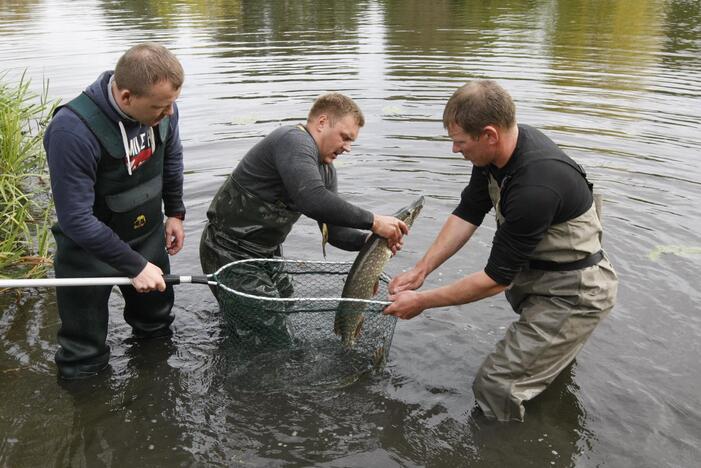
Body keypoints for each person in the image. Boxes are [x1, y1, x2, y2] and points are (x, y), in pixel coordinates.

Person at [384, 80, 618, 422]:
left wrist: (421, 301)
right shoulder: (496, 155)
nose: (454, 150)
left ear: (490, 134)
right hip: (541, 278)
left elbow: (495, 280)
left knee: (496, 386)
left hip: (572, 294)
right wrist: (422, 270)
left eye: (460, 142)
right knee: (541, 374)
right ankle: (548, 414)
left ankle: (503, 450)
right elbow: (468, 212)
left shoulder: (534, 186)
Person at [200, 92, 408, 346]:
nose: (348, 147)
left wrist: (374, 243)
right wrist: (375, 221)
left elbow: (337, 233)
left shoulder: (326, 170)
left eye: (352, 141)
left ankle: (233, 340)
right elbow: (312, 199)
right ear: (321, 123)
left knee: (284, 304)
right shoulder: (293, 140)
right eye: (344, 137)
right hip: (226, 250)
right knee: (274, 338)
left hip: (265, 253)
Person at [44, 43, 186, 379]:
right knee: (84, 353)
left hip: (148, 236)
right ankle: (91, 421)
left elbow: (172, 160)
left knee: (157, 327)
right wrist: (134, 266)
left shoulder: (165, 110)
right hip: (87, 252)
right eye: (159, 107)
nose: (168, 113)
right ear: (125, 97)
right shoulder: (71, 131)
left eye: (171, 105)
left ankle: (156, 393)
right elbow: (75, 219)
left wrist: (176, 212)